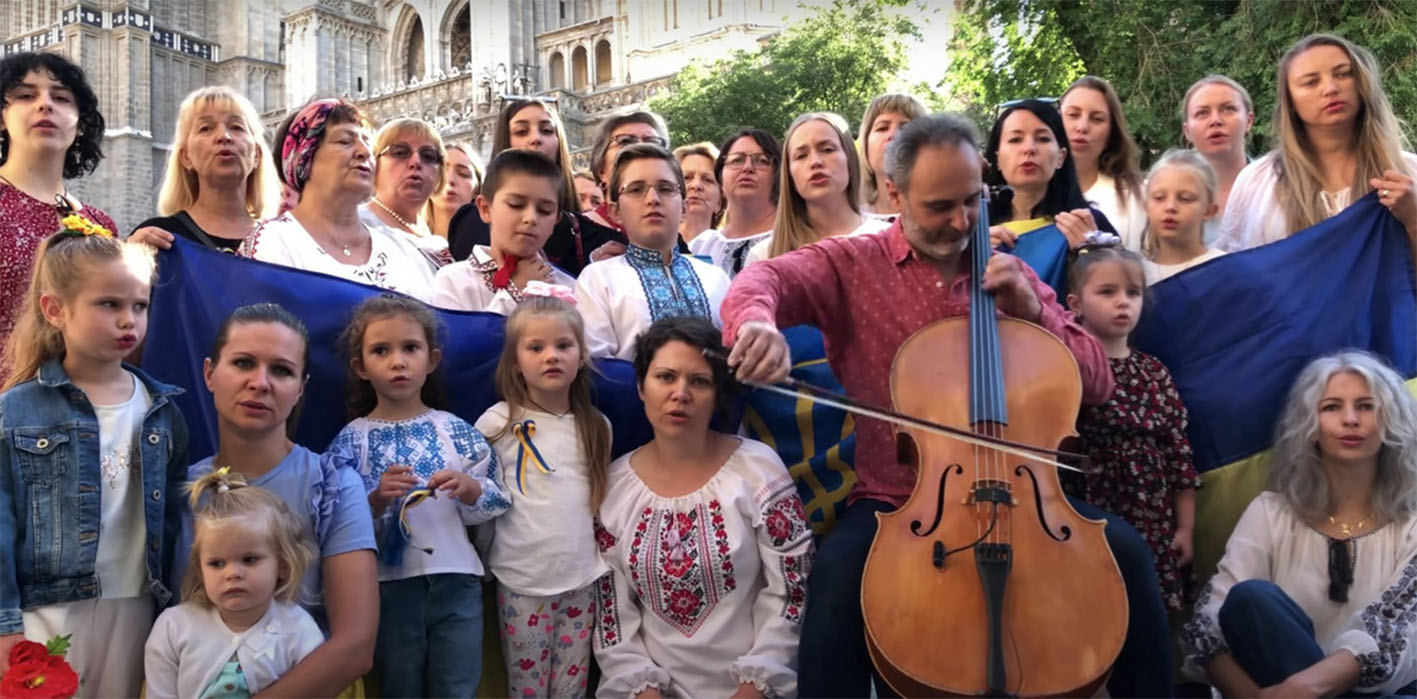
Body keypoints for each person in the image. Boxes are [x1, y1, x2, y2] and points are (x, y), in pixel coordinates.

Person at [722, 113, 1173, 698]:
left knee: (1129, 557)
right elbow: (761, 285)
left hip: (1027, 497)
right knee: (834, 582)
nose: (962, 222)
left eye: (971, 201)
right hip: (900, 498)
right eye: (940, 207)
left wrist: (1033, 312)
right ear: (895, 193)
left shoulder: (1009, 273)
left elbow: (1096, 381)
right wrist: (756, 325)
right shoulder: (850, 265)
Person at [0, 229, 186, 696]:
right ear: (55, 310)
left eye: (139, 306)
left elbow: (177, 523)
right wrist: (4, 624)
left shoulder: (162, 410)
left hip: (140, 609)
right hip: (46, 613)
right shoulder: (16, 410)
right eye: (109, 305)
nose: (129, 320)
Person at [594, 316, 812, 698]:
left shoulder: (758, 471)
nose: (680, 393)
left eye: (699, 381)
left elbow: (792, 590)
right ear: (641, 387)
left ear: (718, 394)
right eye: (665, 377)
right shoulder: (613, 488)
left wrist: (756, 683)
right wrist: (642, 689)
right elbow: (612, 617)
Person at [1181, 350, 1417, 697]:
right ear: (1309, 427)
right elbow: (1208, 625)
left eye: (1366, 406)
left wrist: (1302, 689)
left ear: (1390, 422)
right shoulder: (1269, 513)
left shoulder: (1412, 525)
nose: (1350, 419)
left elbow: (1390, 634)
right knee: (1250, 599)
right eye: (1332, 407)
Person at [182, 303, 377, 696]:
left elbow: (355, 646)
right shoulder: (180, 489)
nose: (260, 382)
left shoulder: (333, 486)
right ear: (209, 373)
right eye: (243, 363)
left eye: (281, 370)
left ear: (300, 388)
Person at [331, 295, 509, 697]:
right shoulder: (350, 440)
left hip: (457, 582)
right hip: (388, 589)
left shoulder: (456, 431)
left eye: (410, 348)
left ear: (431, 359)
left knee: (457, 685)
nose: (398, 361)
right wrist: (374, 500)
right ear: (360, 366)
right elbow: (330, 517)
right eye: (381, 350)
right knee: (400, 686)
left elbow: (500, 500)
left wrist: (470, 490)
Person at [475, 295, 612, 698]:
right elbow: (483, 504)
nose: (551, 356)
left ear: (582, 355)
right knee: (528, 689)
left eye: (563, 346)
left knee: (571, 688)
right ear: (516, 361)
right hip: (523, 582)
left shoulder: (596, 426)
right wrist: (485, 564)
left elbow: (598, 502)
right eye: (536, 347)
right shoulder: (497, 423)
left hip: (582, 580)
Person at [1064, 243, 1201, 613]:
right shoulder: (1063, 366)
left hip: (1150, 513)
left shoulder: (1154, 371)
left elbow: (1179, 454)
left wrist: (1185, 527)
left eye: (1133, 293)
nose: (1123, 302)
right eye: (1107, 292)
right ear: (1075, 304)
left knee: (1144, 612)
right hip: (1088, 504)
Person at [1217, 34, 1417, 254]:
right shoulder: (1257, 183)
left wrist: (1413, 220)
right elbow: (1236, 276)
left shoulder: (1408, 173)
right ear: (1290, 101)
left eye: (1343, 74)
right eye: (1311, 82)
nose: (1330, 88)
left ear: (1362, 84)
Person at [143, 469, 323, 698]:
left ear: (283, 565)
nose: (232, 573)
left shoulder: (299, 630)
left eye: (249, 560)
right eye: (217, 563)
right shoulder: (173, 628)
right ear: (200, 570)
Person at [238, 99, 437, 301]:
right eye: (345, 141)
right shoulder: (274, 242)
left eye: (367, 142)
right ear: (305, 159)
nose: (364, 152)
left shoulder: (403, 251)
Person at [0, 52, 115, 369]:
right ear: (2, 117)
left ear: (80, 123)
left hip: (81, 409)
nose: (44, 104)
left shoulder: (101, 225)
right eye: (26, 95)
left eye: (61, 97)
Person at [575, 143, 731, 360]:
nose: (653, 199)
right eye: (636, 189)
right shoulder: (598, 280)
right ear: (616, 211)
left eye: (666, 189)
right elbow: (599, 369)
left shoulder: (716, 279)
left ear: (684, 207)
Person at [447, 98, 624, 274]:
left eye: (546, 130)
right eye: (521, 131)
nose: (535, 139)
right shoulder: (472, 221)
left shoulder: (587, 233)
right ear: (485, 209)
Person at [129, 86, 278, 253]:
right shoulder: (158, 239)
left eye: (236, 127)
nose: (224, 136)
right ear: (185, 157)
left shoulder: (280, 242)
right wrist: (128, 260)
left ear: (257, 155)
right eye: (206, 128)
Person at [431, 149, 577, 314]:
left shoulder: (570, 287)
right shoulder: (454, 280)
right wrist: (514, 292)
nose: (531, 218)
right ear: (485, 209)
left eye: (544, 210)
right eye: (516, 205)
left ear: (556, 221)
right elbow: (460, 339)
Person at [748, 112, 890, 263]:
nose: (815, 162)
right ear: (789, 174)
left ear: (849, 158)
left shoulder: (888, 238)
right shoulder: (765, 255)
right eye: (801, 156)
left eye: (827, 149)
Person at [985, 99, 1116, 251]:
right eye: (1015, 140)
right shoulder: (973, 226)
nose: (1029, 148)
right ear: (997, 159)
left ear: (1061, 157)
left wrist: (1090, 252)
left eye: (1043, 139)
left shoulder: (1087, 224)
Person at [1060, 76, 1147, 250]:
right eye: (1073, 115)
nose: (1082, 127)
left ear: (1110, 135)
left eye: (1097, 119)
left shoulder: (1136, 196)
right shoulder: (1030, 193)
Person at [687, 129, 781, 278]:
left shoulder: (792, 241)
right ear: (720, 178)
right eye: (737, 160)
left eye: (761, 160)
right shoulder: (701, 246)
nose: (747, 168)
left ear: (778, 174)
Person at [360, 117, 452, 269]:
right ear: (374, 164)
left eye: (428, 156)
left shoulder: (438, 244)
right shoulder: (354, 224)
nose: (416, 162)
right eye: (400, 152)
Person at [1180, 75, 1255, 245]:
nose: (1215, 120)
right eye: (1202, 113)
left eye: (1228, 109)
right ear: (1187, 131)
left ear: (1249, 121)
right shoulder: (1164, 197)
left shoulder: (1279, 186)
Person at [1139, 150, 1227, 283]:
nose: (1170, 207)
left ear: (1209, 211)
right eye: (1159, 198)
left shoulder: (1225, 270)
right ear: (1146, 207)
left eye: (1185, 198)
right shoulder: (1135, 275)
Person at [584, 110, 671, 232]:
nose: (640, 147)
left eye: (652, 142)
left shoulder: (674, 239)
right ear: (600, 169)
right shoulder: (576, 235)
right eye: (625, 141)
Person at [859, 93, 929, 218]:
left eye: (905, 128)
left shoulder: (944, 215)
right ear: (865, 143)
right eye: (882, 128)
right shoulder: (848, 220)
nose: (893, 135)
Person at [424, 142, 482, 241]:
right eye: (442, 171)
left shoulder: (492, 247)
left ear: (477, 189)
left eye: (463, 174)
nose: (450, 179)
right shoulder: (405, 243)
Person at [673, 142, 724, 245]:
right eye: (687, 178)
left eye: (707, 179)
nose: (696, 185)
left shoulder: (733, 255)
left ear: (720, 202)